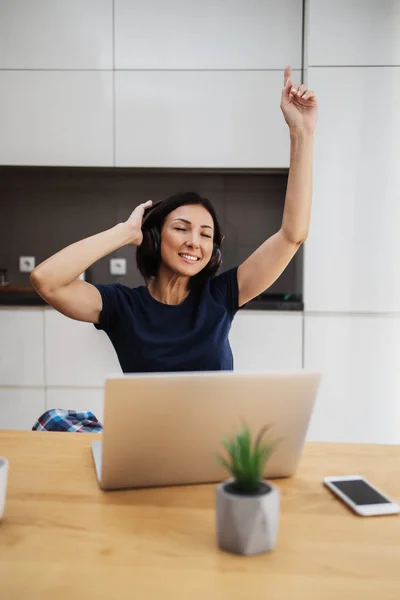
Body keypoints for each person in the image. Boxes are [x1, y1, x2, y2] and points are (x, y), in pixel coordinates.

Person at [30, 66, 318, 429]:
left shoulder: (222, 295)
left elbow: (293, 234)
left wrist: (301, 133)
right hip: (148, 443)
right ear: (154, 237)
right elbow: (46, 280)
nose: (194, 242)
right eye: (181, 229)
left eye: (205, 234)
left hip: (213, 442)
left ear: (213, 251)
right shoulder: (122, 306)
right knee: (52, 421)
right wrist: (124, 232)